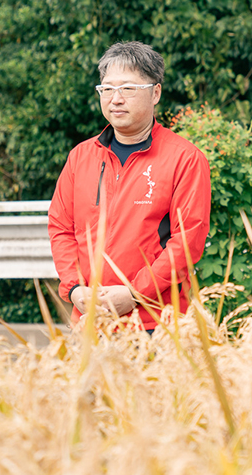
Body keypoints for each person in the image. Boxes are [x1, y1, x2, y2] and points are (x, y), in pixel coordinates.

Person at [48, 41, 211, 330]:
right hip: (89, 320)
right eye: (107, 89)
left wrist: (135, 294)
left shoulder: (184, 159)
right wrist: (74, 289)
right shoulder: (80, 157)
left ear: (155, 93)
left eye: (128, 88)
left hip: (157, 322)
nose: (116, 99)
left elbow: (187, 241)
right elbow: (60, 228)